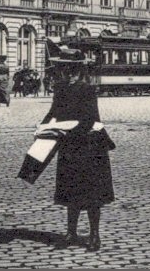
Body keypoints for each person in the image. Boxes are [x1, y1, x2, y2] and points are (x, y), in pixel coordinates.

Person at [39, 48, 115, 252]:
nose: (68, 72)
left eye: (72, 68)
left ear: (79, 69)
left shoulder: (88, 89)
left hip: (90, 145)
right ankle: (71, 232)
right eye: (65, 68)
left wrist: (66, 132)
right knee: (70, 189)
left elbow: (90, 119)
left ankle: (94, 235)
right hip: (70, 145)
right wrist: (43, 127)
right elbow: (53, 112)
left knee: (92, 194)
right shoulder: (60, 87)